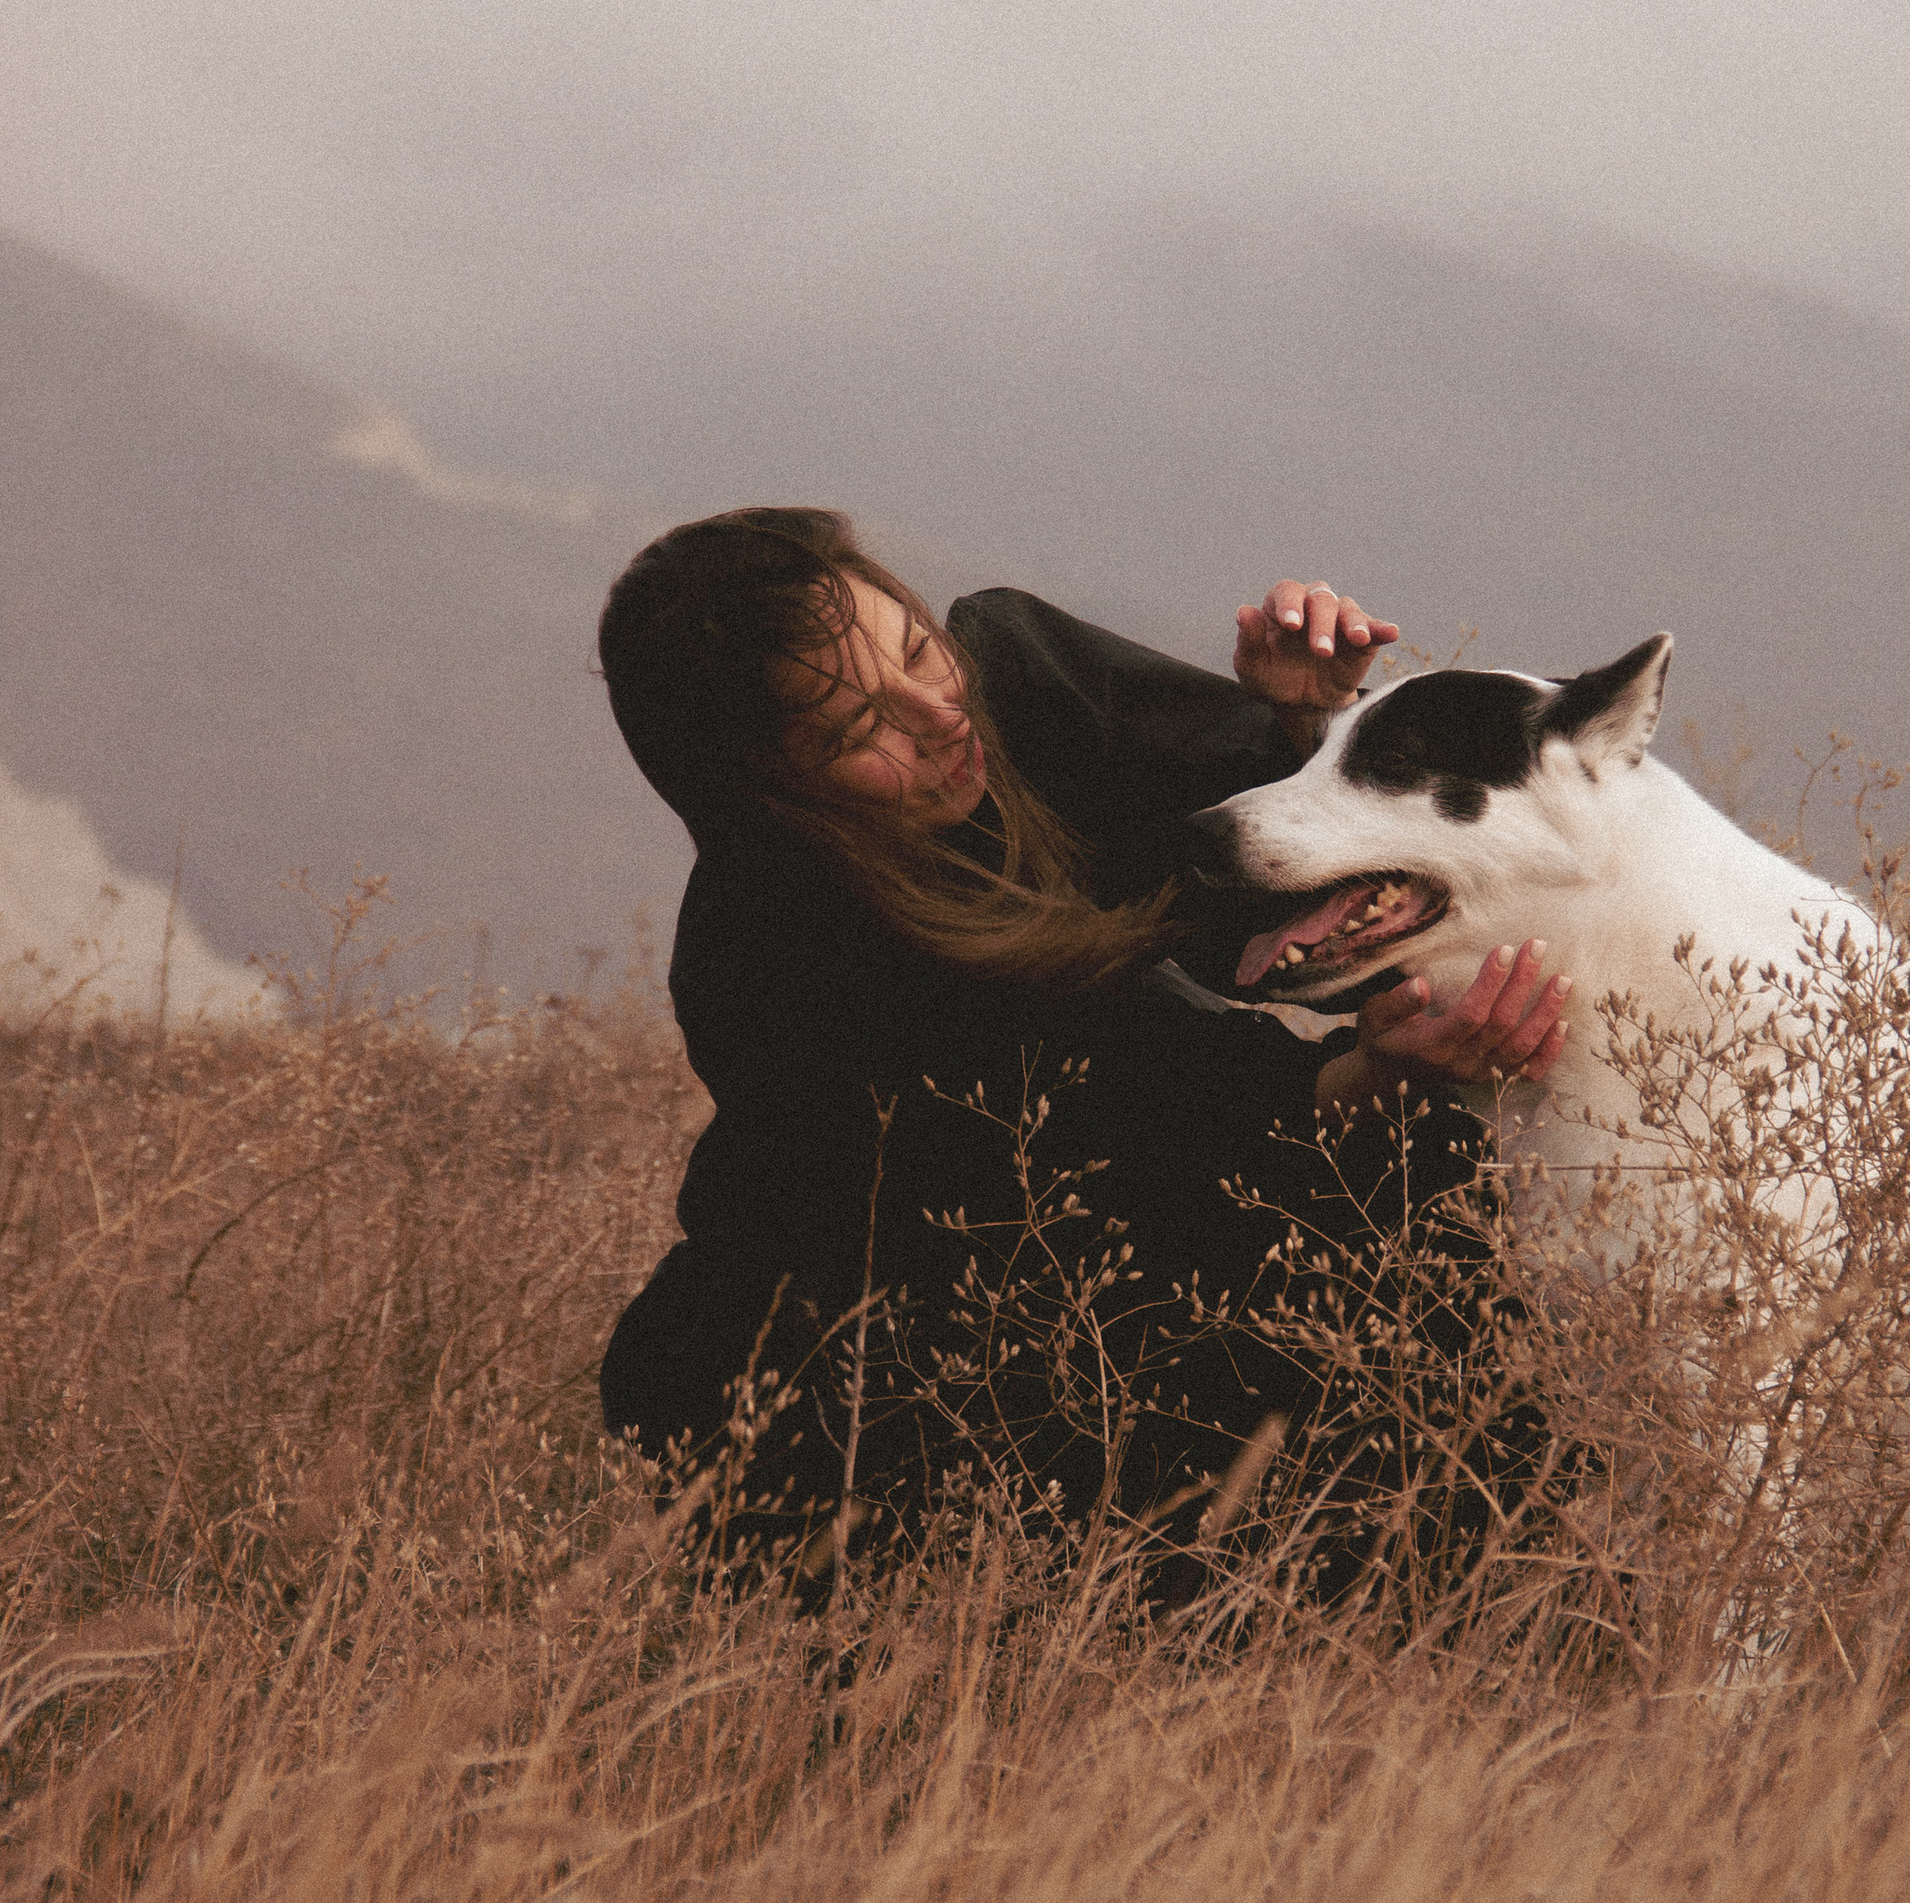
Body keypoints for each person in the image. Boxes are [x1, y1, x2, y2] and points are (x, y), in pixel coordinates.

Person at [596, 508, 1568, 1590]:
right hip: (888, 1379)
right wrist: (1375, 1074)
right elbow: (1145, 1152)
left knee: (1453, 1199)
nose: (937, 714)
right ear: (766, 789)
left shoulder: (1019, 677)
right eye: (856, 729)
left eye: (917, 650)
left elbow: (1232, 854)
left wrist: (1303, 728)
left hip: (1144, 1224)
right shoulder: (781, 973)